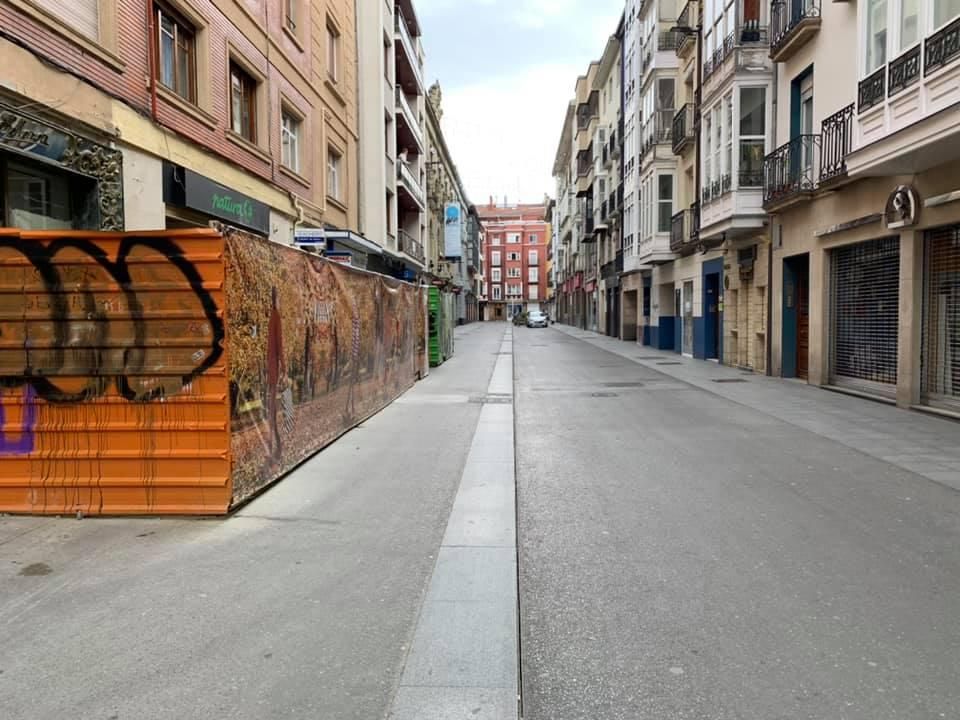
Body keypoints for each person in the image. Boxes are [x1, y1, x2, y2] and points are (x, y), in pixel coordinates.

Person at [266, 287, 285, 468]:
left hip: (270, 372)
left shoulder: (270, 318)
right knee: (273, 411)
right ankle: (275, 448)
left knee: (272, 412)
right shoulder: (276, 317)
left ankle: (274, 447)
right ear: (276, 299)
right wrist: (284, 370)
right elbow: (280, 348)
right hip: (274, 373)